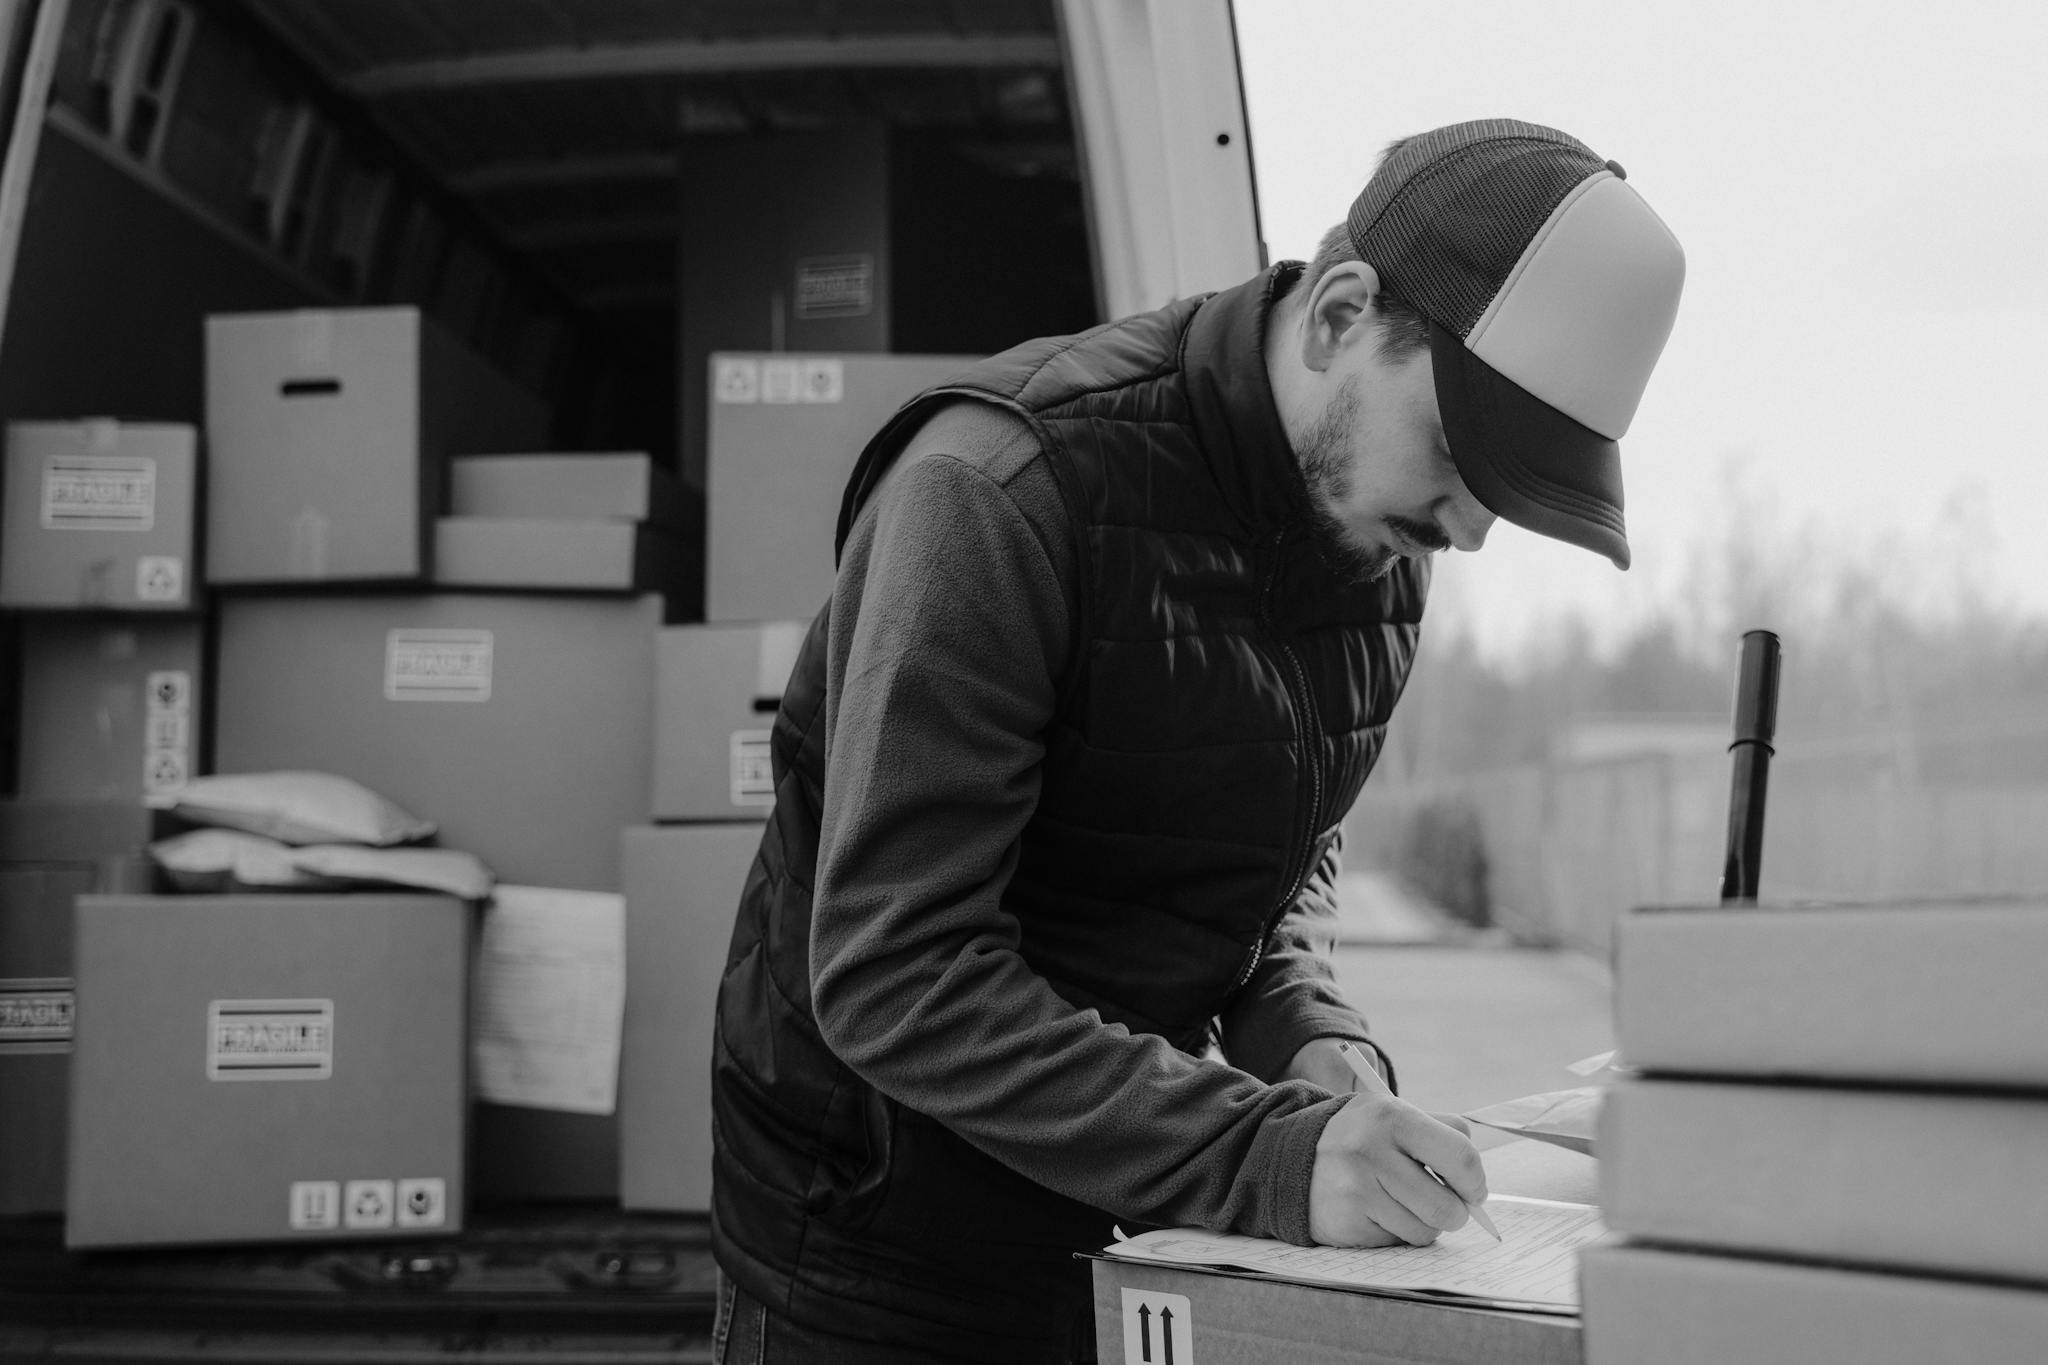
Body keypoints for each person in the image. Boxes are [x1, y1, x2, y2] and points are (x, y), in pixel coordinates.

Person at [708, 117, 1685, 1363]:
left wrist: (1313, 1041)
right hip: (873, 1254)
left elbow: (1274, 864)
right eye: (1458, 456)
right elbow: (897, 969)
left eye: (1509, 490)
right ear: (1340, 315)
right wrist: (1263, 1153)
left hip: (1138, 1217)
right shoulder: (999, 493)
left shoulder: (1380, 542)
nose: (1471, 528)